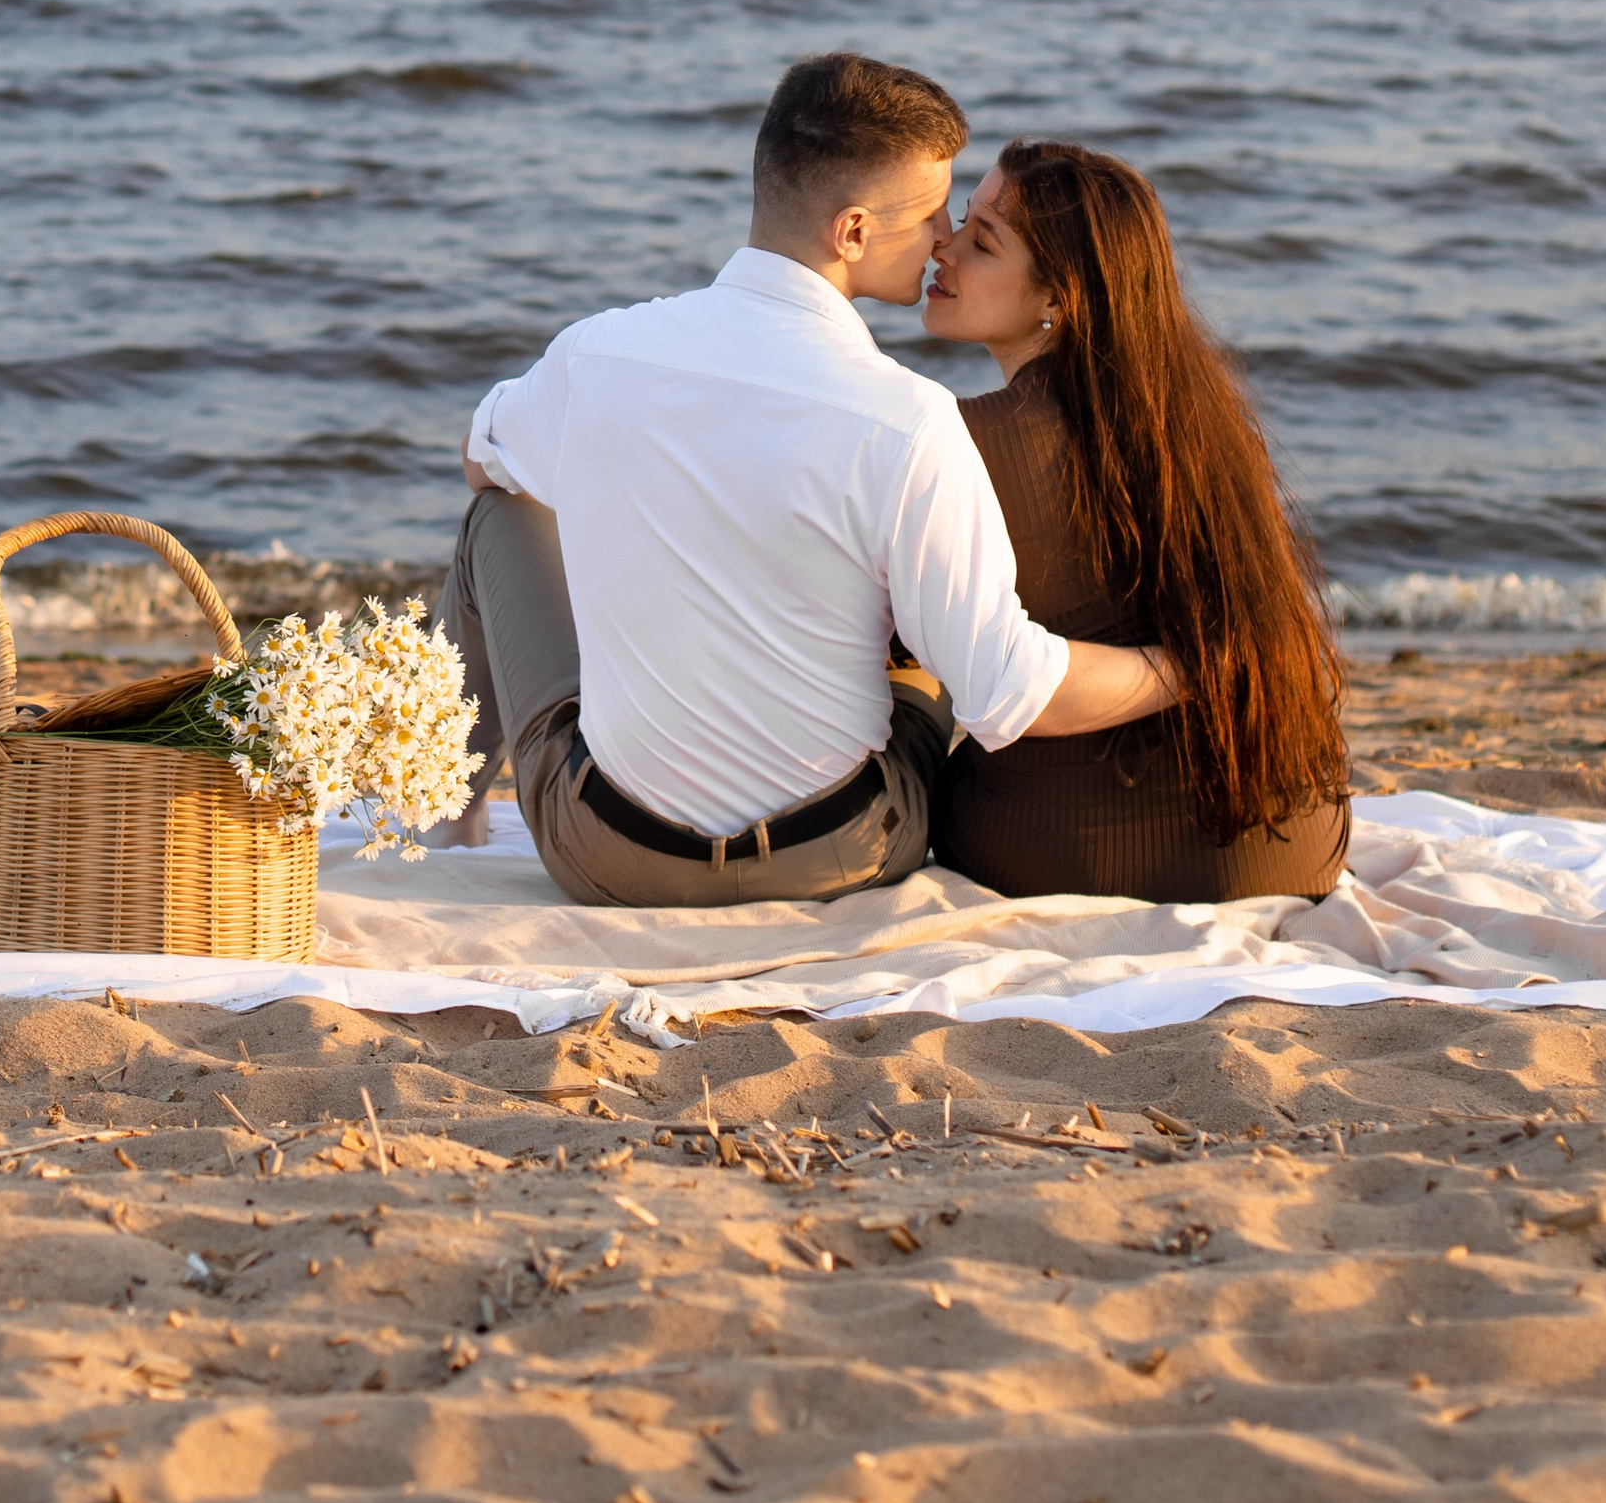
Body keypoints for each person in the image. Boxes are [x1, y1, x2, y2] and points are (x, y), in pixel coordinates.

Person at [443, 52, 1185, 907]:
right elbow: (1006, 691)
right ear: (856, 232)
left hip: (610, 856)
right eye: (935, 210)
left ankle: (452, 815)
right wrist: (1184, 667)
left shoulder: (598, 352)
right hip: (839, 854)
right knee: (919, 613)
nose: (946, 234)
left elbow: (480, 456)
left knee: (499, 511)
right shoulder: (909, 418)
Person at [919, 138, 1350, 901]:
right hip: (1287, 847)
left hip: (1068, 851)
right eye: (961, 220)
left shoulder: (964, 439)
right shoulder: (1194, 415)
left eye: (981, 241)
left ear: (1059, 299)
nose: (943, 249)